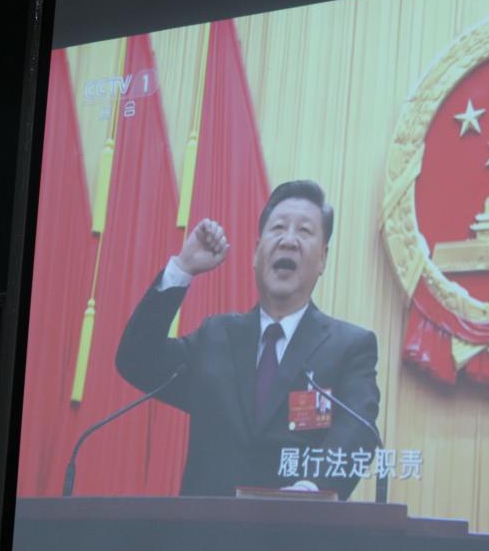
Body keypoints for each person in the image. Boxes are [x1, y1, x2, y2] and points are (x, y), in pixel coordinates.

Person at [116, 180, 380, 500]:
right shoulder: (215, 337)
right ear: (256, 252)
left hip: (298, 526)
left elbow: (357, 432)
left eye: (305, 231)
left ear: (323, 258)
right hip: (206, 528)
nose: (288, 240)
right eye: (278, 228)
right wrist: (182, 268)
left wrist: (311, 492)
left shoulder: (350, 347)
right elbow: (137, 360)